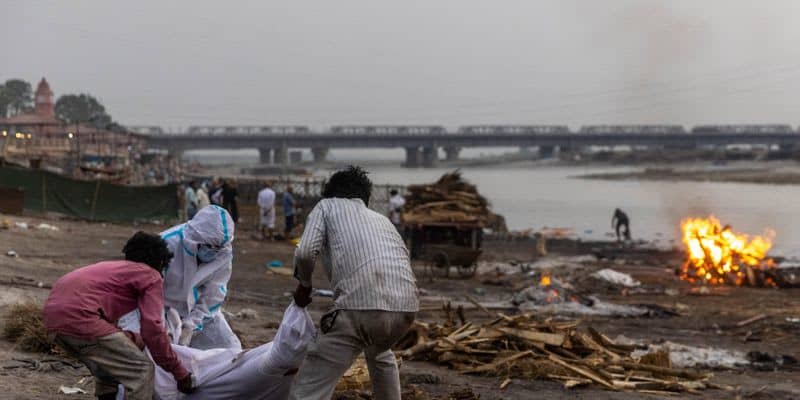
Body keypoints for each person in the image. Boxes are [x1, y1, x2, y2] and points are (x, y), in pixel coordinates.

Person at [289, 166, 419, 400]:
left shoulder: (326, 206)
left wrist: (304, 284)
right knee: (380, 352)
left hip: (359, 306)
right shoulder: (383, 220)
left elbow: (305, 252)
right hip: (405, 309)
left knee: (309, 387)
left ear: (330, 193)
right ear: (364, 198)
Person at [42, 232, 193, 400]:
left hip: (53, 321)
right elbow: (153, 328)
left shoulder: (112, 270)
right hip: (81, 319)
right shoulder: (150, 275)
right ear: (160, 262)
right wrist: (179, 372)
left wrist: (133, 339)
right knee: (141, 370)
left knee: (109, 368)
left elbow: (106, 326)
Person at [161, 205, 241, 350]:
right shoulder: (167, 244)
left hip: (198, 314)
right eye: (209, 246)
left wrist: (191, 325)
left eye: (218, 248)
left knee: (229, 348)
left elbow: (213, 295)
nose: (213, 252)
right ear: (196, 238)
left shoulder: (223, 253)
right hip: (162, 309)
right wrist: (164, 324)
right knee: (162, 350)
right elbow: (151, 290)